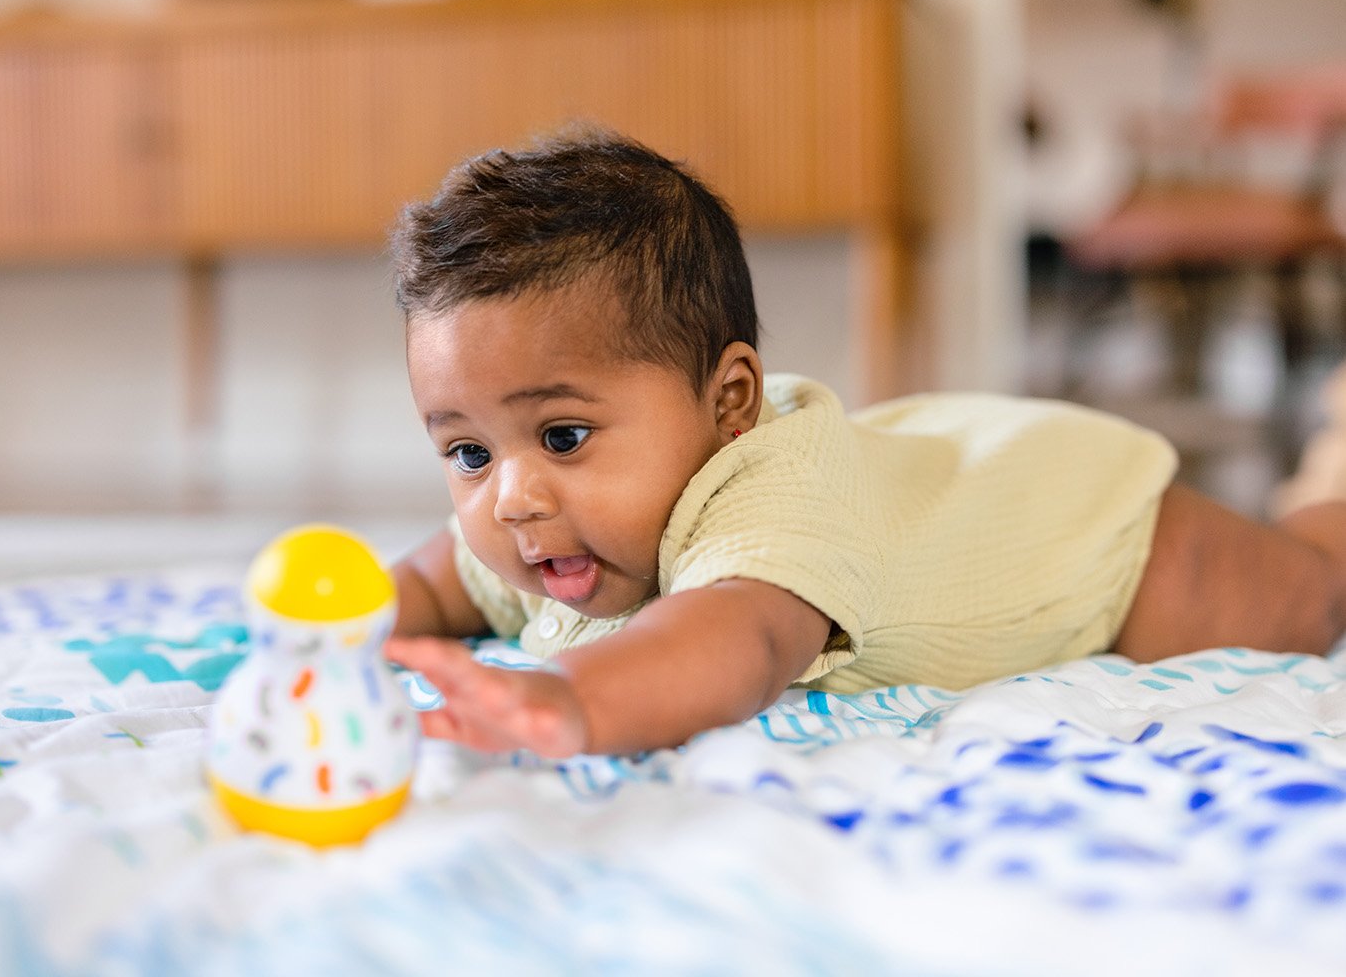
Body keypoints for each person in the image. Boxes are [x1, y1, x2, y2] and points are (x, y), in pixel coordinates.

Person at [381, 125, 1346, 760]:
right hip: (923, 476)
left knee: (1316, 591)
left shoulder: (767, 502)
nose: (511, 498)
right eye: (468, 452)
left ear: (728, 405)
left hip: (1083, 531)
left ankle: (1335, 457)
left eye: (562, 435)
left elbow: (734, 643)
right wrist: (357, 620)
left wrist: (573, 701)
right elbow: (440, 578)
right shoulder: (543, 526)